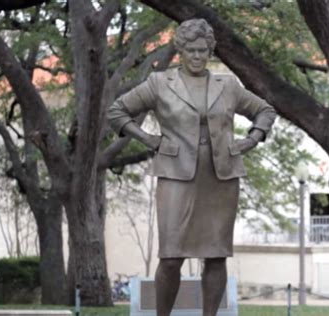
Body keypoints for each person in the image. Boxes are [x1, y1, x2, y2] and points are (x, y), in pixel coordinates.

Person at [107, 18, 276, 316]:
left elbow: (264, 110)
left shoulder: (228, 85)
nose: (197, 57)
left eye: (203, 50)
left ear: (210, 50)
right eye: (191, 51)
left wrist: (251, 139)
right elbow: (117, 111)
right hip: (175, 176)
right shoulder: (159, 83)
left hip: (221, 177)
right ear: (180, 50)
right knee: (171, 256)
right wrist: (149, 139)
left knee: (216, 255)